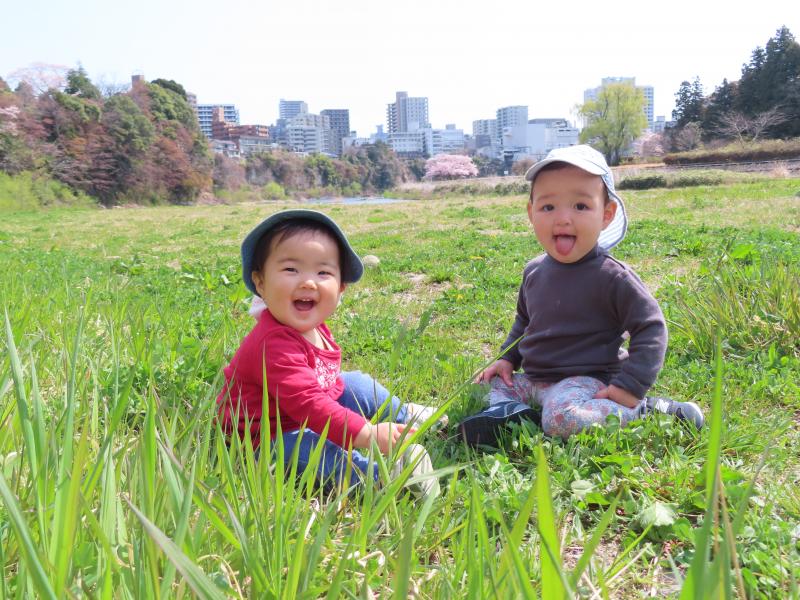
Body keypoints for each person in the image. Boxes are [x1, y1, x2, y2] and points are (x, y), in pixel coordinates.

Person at [462, 145, 703, 445]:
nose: (563, 219)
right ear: (531, 213)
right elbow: (525, 323)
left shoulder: (612, 277)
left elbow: (650, 327)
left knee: (562, 419)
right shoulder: (534, 271)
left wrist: (630, 386)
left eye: (580, 206)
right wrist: (507, 358)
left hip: (584, 381)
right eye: (548, 207)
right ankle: (512, 413)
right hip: (535, 380)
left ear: (606, 214)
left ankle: (648, 411)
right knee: (480, 386)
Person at [218, 209, 439, 496]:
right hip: (265, 436)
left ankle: (405, 417)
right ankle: (380, 479)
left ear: (341, 287)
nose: (308, 282)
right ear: (260, 283)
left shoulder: (315, 326)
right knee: (311, 452)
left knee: (355, 383)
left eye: (323, 272)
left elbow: (323, 389)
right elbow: (309, 405)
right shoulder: (272, 344)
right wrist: (367, 434)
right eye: (291, 269)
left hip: (302, 413)